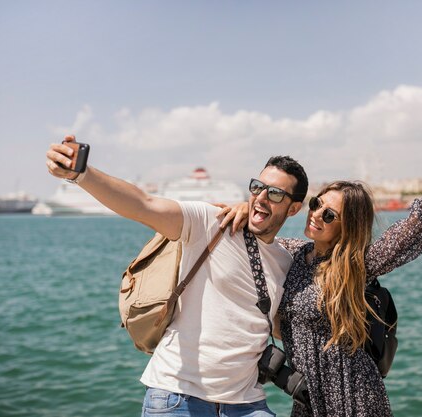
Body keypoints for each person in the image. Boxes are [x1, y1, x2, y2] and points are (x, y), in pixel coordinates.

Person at [220, 137, 422, 417]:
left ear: (347, 225)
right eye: (317, 204)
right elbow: (263, 234)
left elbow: (412, 228)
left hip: (354, 398)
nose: (316, 215)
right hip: (306, 398)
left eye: (329, 215)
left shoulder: (354, 265)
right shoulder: (292, 252)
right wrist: (245, 209)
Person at [45, 135, 310, 417]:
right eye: (257, 187)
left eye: (275, 194)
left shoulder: (285, 260)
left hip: (246, 403)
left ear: (293, 208)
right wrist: (82, 174)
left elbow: (277, 325)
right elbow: (143, 204)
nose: (261, 197)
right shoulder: (210, 223)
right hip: (178, 397)